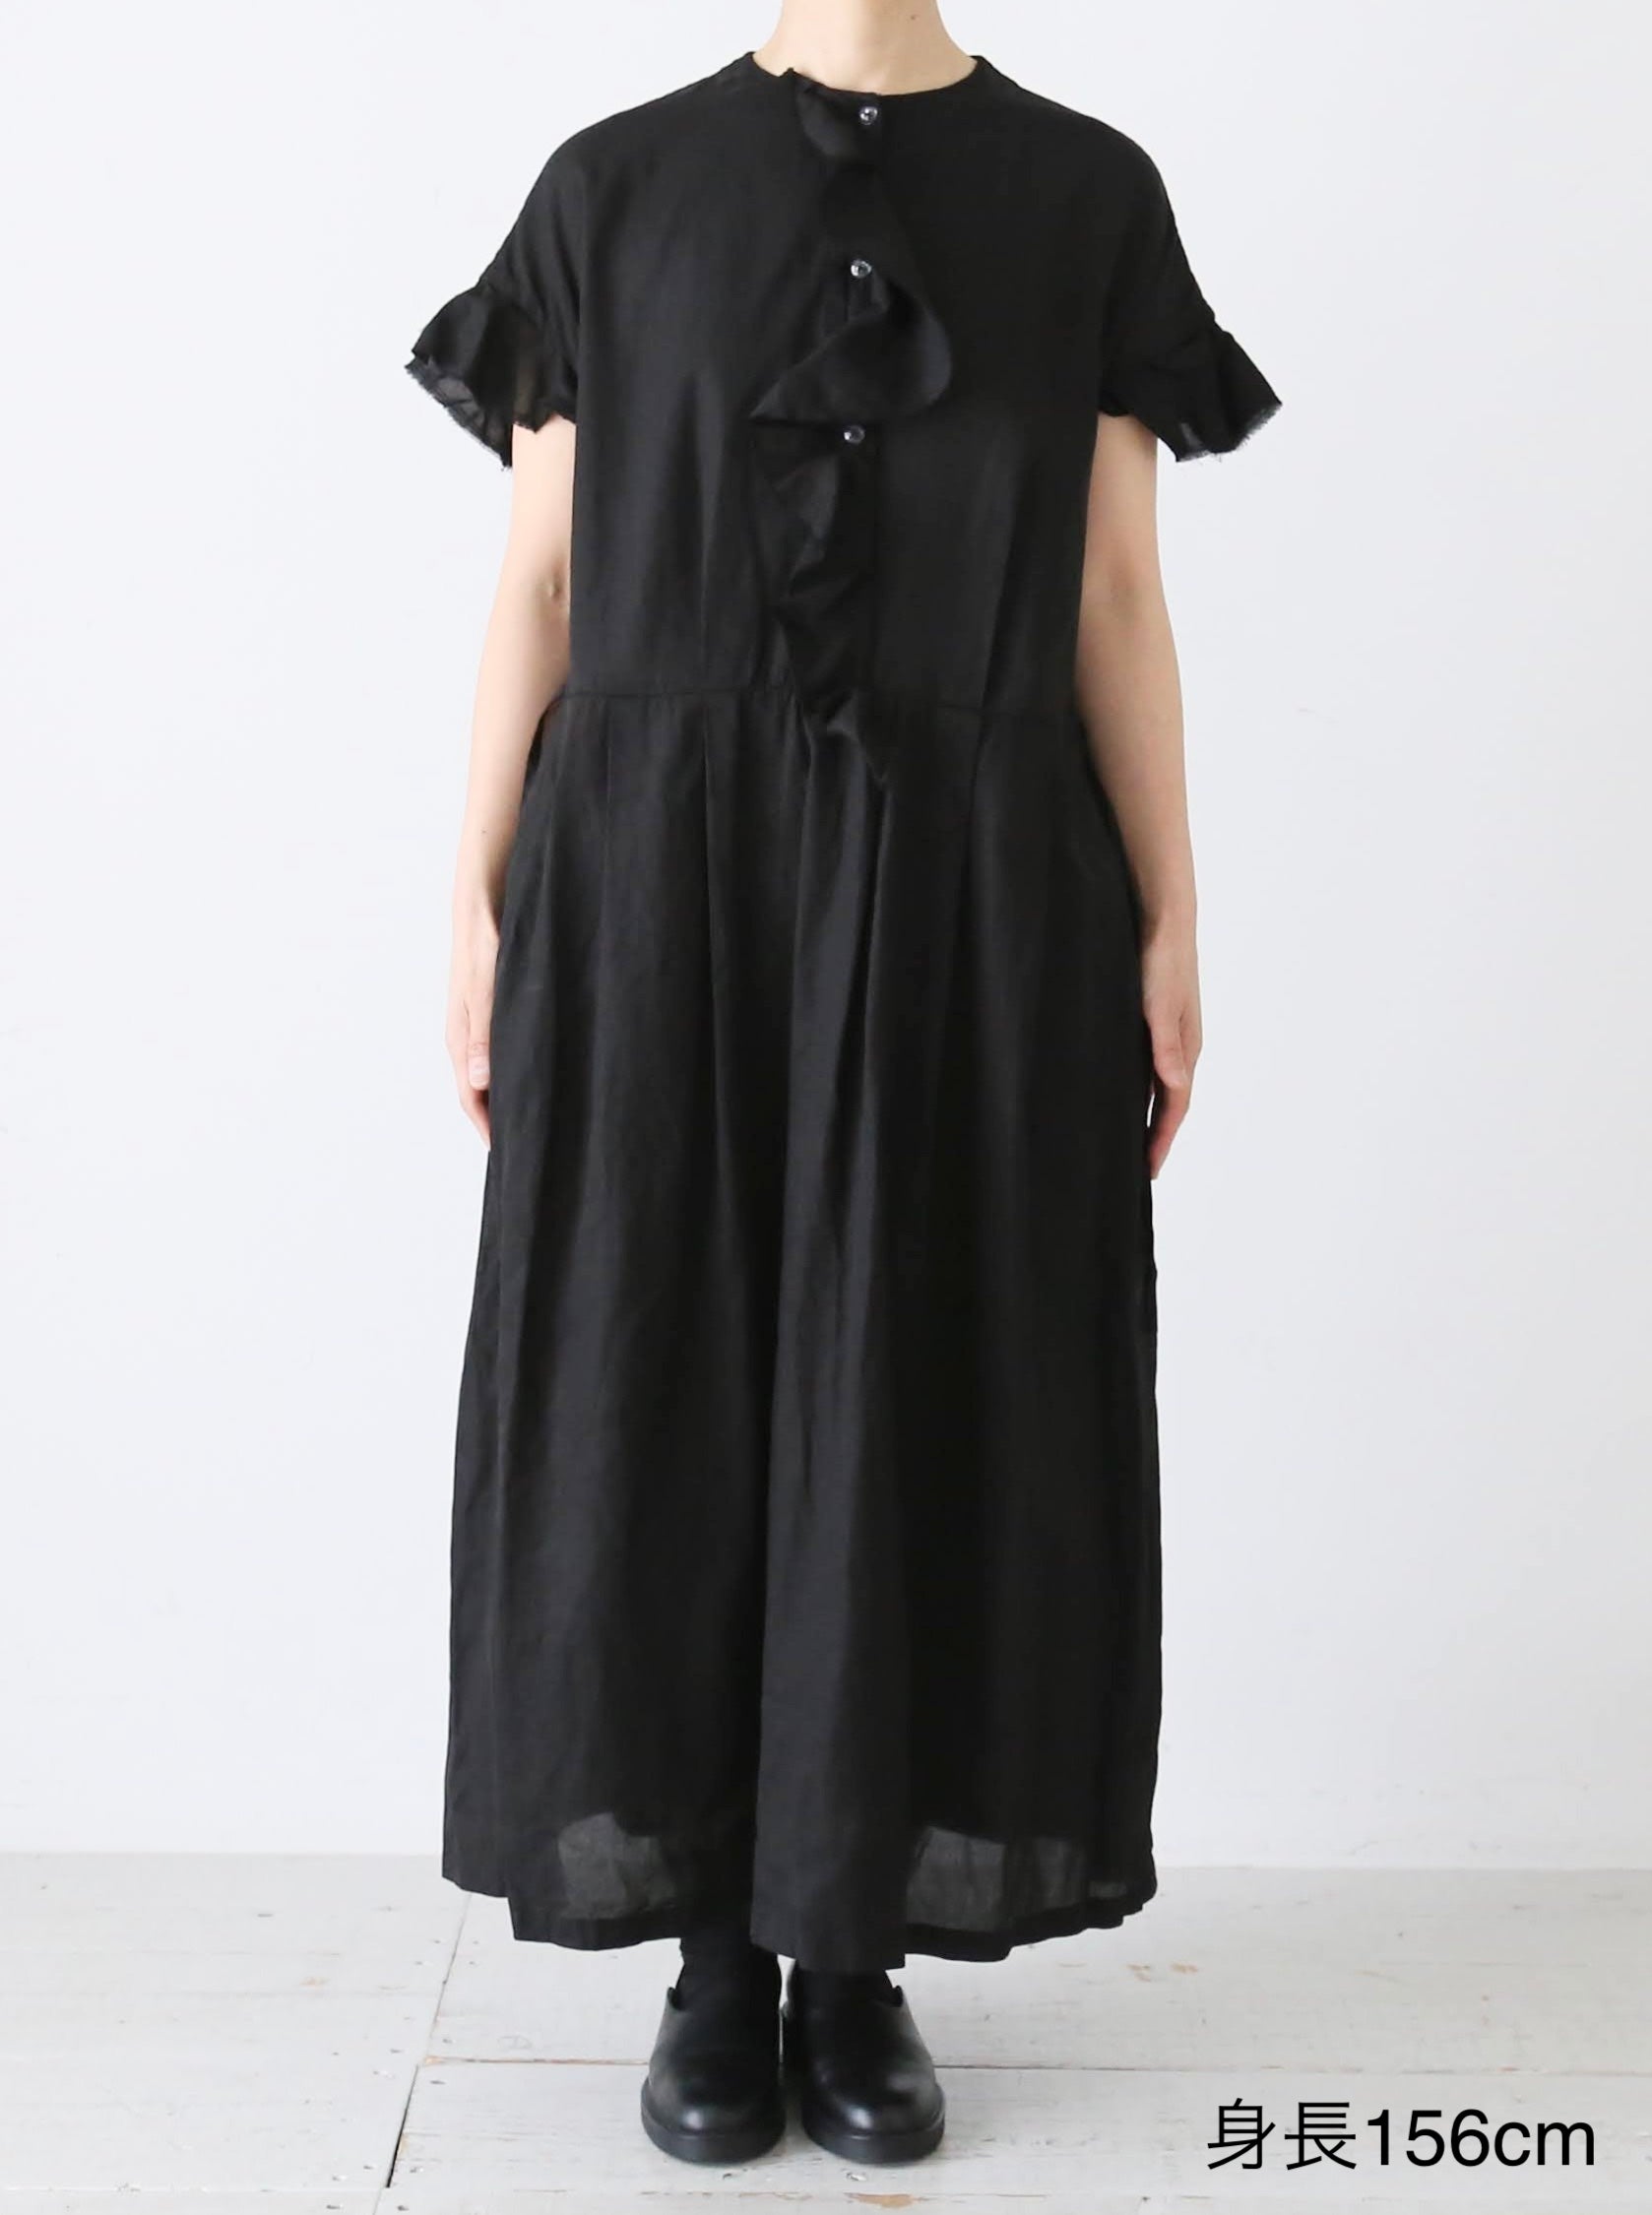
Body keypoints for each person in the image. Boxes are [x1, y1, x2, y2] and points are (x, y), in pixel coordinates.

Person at [404, 0, 1280, 2170]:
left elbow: (1110, 593)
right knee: (663, 1372)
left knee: (930, 1375)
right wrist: (475, 900)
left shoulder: (1087, 197)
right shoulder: (612, 191)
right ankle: (715, 1952)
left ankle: (854, 1952)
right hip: (660, 879)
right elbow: (541, 577)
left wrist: (1174, 914)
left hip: (975, 880)